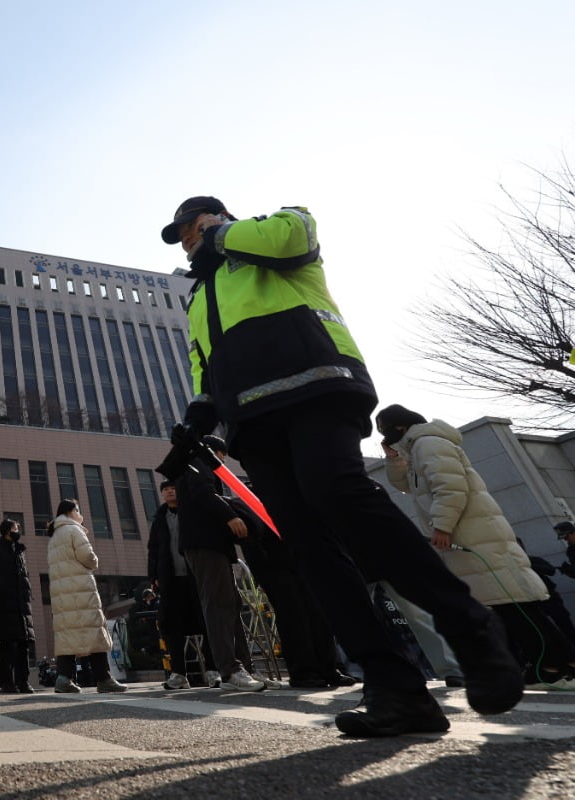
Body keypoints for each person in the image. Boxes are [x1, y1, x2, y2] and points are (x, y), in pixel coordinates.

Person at [158, 196, 523, 737]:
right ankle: (394, 687)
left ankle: (468, 625)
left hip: (318, 385)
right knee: (308, 545)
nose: (188, 238)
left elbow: (293, 235)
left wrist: (222, 233)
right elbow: (203, 361)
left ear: (214, 216)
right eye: (184, 233)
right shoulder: (199, 293)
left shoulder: (271, 231)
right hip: (252, 421)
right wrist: (198, 410)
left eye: (191, 227)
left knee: (339, 492)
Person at [377, 404, 575, 688]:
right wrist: (394, 459)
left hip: (475, 534)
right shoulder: (419, 448)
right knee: (507, 604)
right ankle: (556, 661)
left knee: (513, 603)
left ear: (400, 428)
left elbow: (450, 486)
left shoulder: (428, 443)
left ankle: (553, 664)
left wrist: (442, 525)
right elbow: (408, 486)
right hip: (469, 533)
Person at [227, 493, 356, 689]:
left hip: (304, 560)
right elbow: (249, 537)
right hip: (275, 566)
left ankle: (330, 669)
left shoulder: (291, 492)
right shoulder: (244, 499)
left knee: (318, 616)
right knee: (294, 618)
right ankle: (303, 672)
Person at [177, 435, 268, 691]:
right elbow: (203, 493)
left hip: (212, 544)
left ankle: (243, 667)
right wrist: (230, 516)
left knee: (230, 603)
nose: (222, 464)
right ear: (213, 452)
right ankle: (230, 670)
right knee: (218, 604)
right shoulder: (196, 462)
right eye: (221, 458)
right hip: (204, 543)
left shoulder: (194, 463)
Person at [46, 499, 126, 694]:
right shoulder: (74, 530)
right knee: (94, 632)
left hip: (62, 594)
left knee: (68, 635)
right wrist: (95, 560)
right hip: (80, 589)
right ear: (71, 512)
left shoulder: (54, 535)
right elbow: (88, 558)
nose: (80, 514)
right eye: (78, 510)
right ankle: (104, 678)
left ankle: (64, 678)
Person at [146, 478, 216, 690]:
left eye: (173, 488)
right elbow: (153, 550)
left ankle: (214, 670)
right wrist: (154, 577)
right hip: (171, 580)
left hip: (196, 576)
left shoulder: (191, 511)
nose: (169, 492)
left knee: (206, 622)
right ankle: (178, 673)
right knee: (172, 626)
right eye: (166, 490)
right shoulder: (159, 518)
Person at [0, 519, 35, 693]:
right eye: (16, 528)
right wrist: (0, 592)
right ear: (7, 530)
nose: (18, 531)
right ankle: (7, 683)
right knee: (8, 644)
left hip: (22, 604)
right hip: (6, 603)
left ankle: (23, 681)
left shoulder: (20, 550)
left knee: (24, 644)